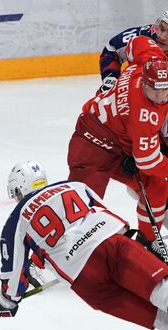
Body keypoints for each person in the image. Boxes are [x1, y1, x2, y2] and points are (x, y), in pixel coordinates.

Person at [0, 160, 168, 330]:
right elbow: (102, 210)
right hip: (112, 243)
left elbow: (13, 272)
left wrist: (7, 301)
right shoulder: (74, 186)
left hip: (84, 276)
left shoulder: (16, 220)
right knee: (161, 289)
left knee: (159, 319)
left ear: (20, 188)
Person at [67, 36, 168, 254]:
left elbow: (136, 42)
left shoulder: (150, 57)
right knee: (81, 209)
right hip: (91, 143)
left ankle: (147, 244)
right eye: (154, 91)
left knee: (157, 187)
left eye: (164, 90)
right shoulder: (144, 115)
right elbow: (148, 162)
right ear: (145, 81)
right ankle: (45, 256)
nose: (159, 97)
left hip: (121, 143)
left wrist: (111, 79)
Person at [98, 10, 168, 94]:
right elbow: (112, 49)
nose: (162, 36)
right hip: (135, 91)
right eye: (162, 28)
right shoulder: (145, 35)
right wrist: (110, 79)